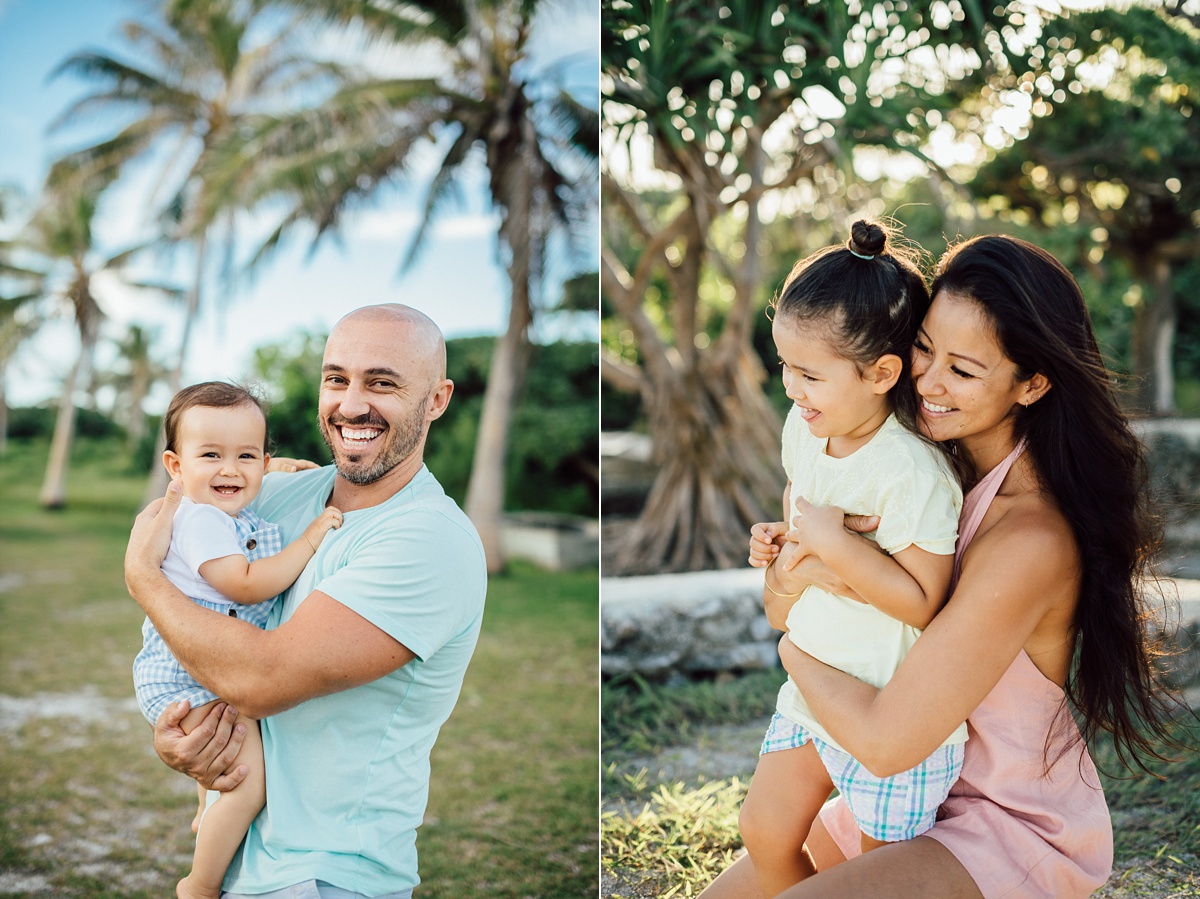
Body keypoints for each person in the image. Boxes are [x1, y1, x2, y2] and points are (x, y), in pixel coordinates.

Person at [703, 234, 1185, 898]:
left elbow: (884, 736)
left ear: (1032, 383)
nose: (926, 381)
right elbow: (790, 593)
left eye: (962, 370)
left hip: (996, 822)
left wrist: (792, 647)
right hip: (906, 785)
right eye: (924, 348)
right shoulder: (918, 471)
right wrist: (796, 569)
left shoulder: (1031, 539)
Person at [125, 304, 487, 899]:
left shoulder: (430, 540)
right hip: (244, 866)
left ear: (438, 399)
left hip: (326, 875)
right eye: (336, 378)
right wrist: (181, 737)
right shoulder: (286, 490)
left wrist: (140, 578)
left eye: (383, 382)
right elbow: (169, 521)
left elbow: (256, 678)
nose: (350, 404)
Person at [732, 220, 965, 898]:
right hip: (812, 691)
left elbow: (926, 598)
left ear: (881, 373)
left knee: (875, 876)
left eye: (809, 374)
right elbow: (802, 521)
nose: (791, 389)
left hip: (892, 708)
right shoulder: (805, 431)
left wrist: (832, 543)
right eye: (785, 367)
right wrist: (779, 542)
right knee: (765, 830)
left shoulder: (912, 471)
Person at [132, 381, 343, 899]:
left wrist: (274, 468)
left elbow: (238, 472)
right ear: (175, 467)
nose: (231, 469)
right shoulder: (200, 519)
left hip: (201, 668)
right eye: (211, 455)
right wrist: (313, 537)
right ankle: (199, 885)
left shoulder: (224, 507)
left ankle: (208, 808)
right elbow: (244, 584)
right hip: (189, 674)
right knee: (249, 785)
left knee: (226, 770)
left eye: (246, 455)